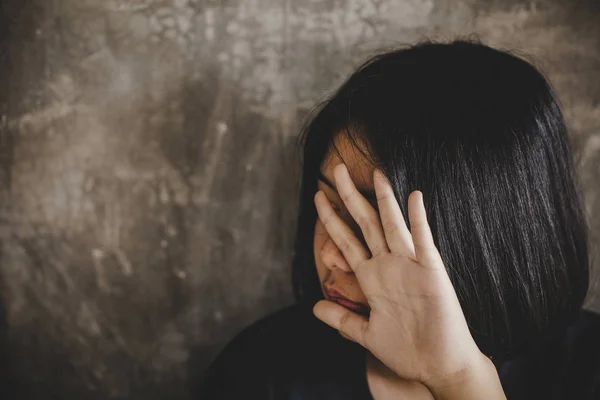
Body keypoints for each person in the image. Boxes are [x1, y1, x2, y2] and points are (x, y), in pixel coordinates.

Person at [199, 38, 600, 399]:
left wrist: (460, 381)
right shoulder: (260, 374)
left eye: (373, 224)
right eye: (330, 208)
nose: (332, 256)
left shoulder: (587, 372)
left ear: (485, 235)